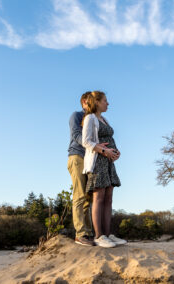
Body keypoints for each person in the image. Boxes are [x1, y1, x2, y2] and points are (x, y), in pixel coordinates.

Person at [82, 91, 127, 248]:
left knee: (109, 199)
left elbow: (109, 139)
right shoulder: (90, 118)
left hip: (108, 162)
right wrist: (104, 151)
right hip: (97, 162)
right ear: (97, 102)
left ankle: (108, 235)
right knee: (99, 198)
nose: (108, 103)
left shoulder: (104, 119)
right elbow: (86, 141)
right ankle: (99, 236)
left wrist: (115, 151)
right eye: (105, 101)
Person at [67, 92, 109, 246]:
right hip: (77, 157)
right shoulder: (77, 116)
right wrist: (94, 146)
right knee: (79, 195)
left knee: (89, 198)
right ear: (85, 101)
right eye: (91, 100)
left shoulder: (96, 119)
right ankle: (80, 234)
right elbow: (78, 136)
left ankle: (89, 233)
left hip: (91, 160)